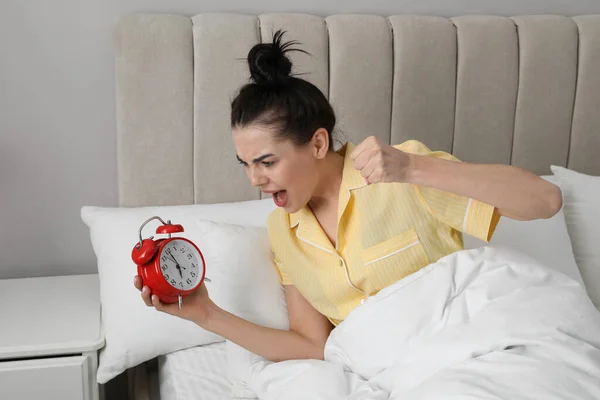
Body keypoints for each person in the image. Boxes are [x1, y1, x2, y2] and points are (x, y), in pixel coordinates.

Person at [134, 30, 563, 362]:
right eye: (244, 164)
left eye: (266, 162)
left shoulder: (403, 170)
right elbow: (312, 345)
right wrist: (206, 314)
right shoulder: (284, 232)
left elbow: (545, 201)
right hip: (399, 372)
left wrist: (415, 169)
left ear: (318, 144)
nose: (254, 180)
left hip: (475, 343)